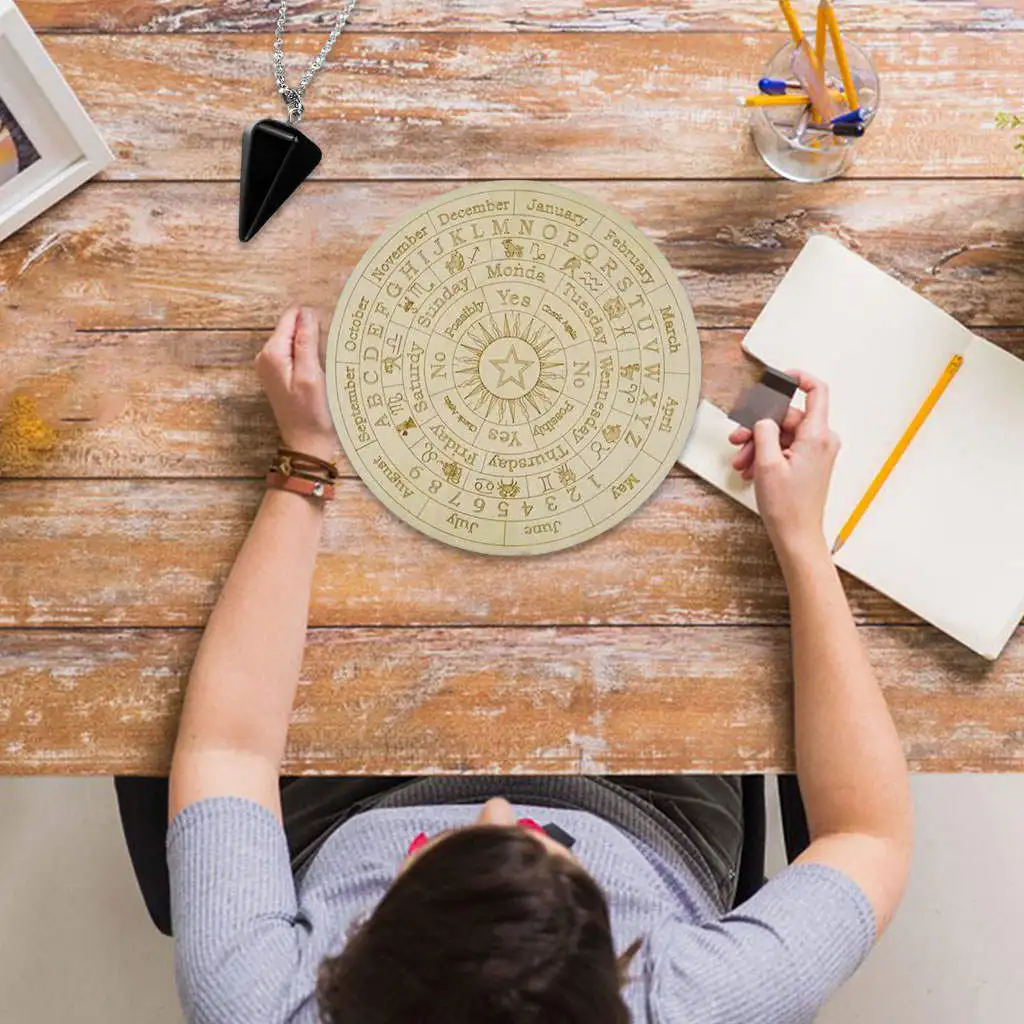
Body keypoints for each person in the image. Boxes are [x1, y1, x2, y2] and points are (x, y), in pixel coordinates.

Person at [116, 306, 913, 1023]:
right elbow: (867, 837)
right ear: (621, 979)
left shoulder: (257, 1003)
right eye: (535, 837)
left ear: (342, 971)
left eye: (441, 849)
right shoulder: (700, 1005)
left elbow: (230, 749)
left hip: (345, 807)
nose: (496, 803)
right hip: (656, 812)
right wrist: (804, 539)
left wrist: (305, 460)